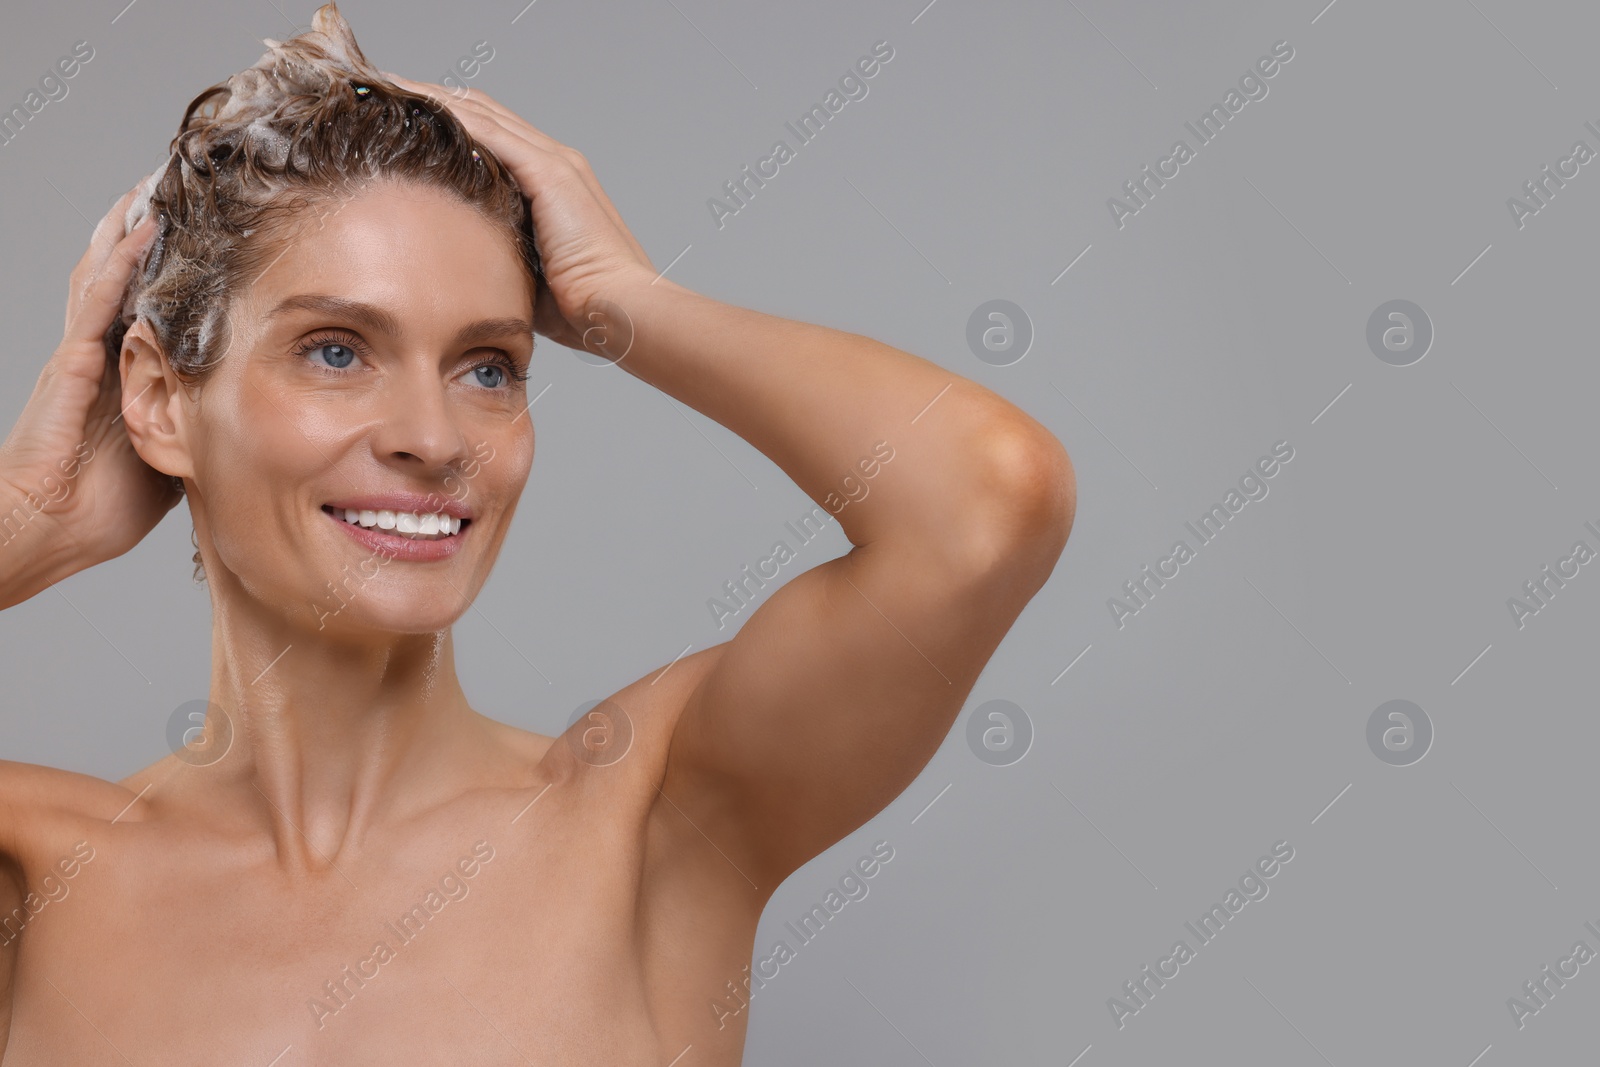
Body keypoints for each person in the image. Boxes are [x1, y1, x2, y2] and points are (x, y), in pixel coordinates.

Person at [0, 3, 1074, 1062]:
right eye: (335, 350)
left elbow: (986, 497)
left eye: (487, 367)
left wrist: (627, 302)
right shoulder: (37, 875)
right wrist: (30, 522)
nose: (433, 435)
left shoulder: (649, 822)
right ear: (156, 396)